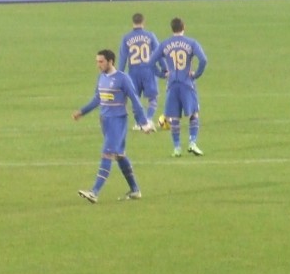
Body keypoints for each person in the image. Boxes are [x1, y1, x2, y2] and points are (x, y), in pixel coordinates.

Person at [74, 49, 154, 204]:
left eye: (101, 61)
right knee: (119, 155)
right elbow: (97, 99)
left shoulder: (122, 79)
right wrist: (82, 112)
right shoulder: (101, 77)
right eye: (97, 61)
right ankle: (135, 190)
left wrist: (143, 122)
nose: (98, 65)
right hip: (105, 121)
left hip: (118, 121)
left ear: (110, 61)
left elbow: (135, 100)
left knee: (107, 154)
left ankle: (94, 192)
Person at [149, 18, 207, 157]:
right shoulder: (191, 43)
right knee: (193, 114)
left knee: (174, 117)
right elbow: (203, 60)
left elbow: (151, 62)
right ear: (184, 27)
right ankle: (192, 142)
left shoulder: (165, 44)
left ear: (172, 28)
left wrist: (162, 74)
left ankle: (177, 148)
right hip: (187, 83)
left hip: (172, 84)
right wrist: (196, 74)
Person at [117, 13, 162, 128]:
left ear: (133, 22)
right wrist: (165, 68)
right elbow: (158, 54)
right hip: (148, 70)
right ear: (143, 22)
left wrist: (119, 75)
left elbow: (123, 58)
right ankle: (148, 119)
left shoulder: (126, 38)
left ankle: (139, 123)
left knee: (135, 99)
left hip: (133, 72)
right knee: (152, 98)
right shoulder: (150, 36)